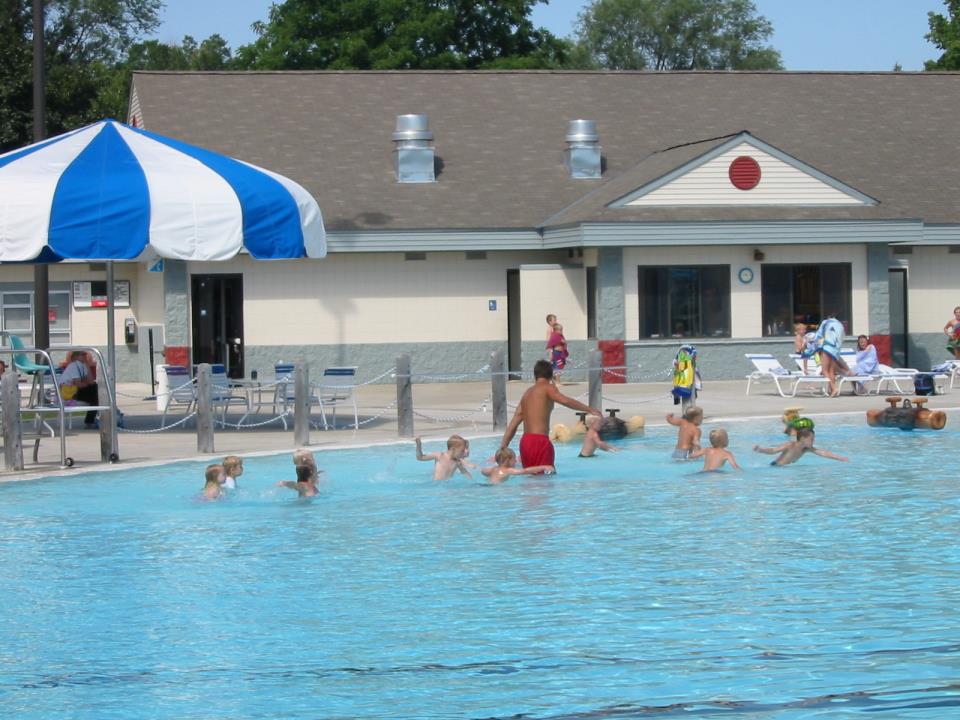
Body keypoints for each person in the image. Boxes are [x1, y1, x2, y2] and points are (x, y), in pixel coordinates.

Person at [499, 359, 601, 471]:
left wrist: (503, 448)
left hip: (525, 443)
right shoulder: (548, 388)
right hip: (540, 442)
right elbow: (565, 401)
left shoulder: (527, 394)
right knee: (546, 480)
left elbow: (513, 424)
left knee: (529, 479)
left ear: (535, 375)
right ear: (551, 375)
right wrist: (590, 409)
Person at [753, 427, 848, 465]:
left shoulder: (805, 449)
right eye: (811, 439)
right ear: (802, 438)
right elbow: (773, 450)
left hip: (786, 468)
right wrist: (760, 449)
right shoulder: (790, 445)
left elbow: (823, 453)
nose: (813, 441)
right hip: (776, 467)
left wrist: (840, 458)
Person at [59, 350, 99, 427]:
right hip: (70, 393)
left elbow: (90, 381)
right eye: (82, 354)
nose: (85, 355)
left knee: (96, 392)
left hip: (77, 391)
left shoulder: (82, 365)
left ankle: (90, 421)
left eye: (85, 354)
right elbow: (79, 384)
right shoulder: (73, 366)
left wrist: (87, 364)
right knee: (95, 391)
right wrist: (87, 383)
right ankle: (90, 421)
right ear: (76, 357)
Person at [814, 316, 850, 397]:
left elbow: (818, 336)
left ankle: (834, 388)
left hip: (827, 347)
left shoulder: (825, 322)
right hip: (836, 349)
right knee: (831, 371)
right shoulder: (840, 325)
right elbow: (842, 337)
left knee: (824, 370)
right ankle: (831, 390)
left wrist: (816, 348)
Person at [482, 447, 554, 484]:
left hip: (488, 486)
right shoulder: (508, 470)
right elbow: (524, 471)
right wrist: (544, 467)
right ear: (508, 461)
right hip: (498, 489)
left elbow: (483, 471)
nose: (516, 461)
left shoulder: (493, 469)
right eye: (514, 459)